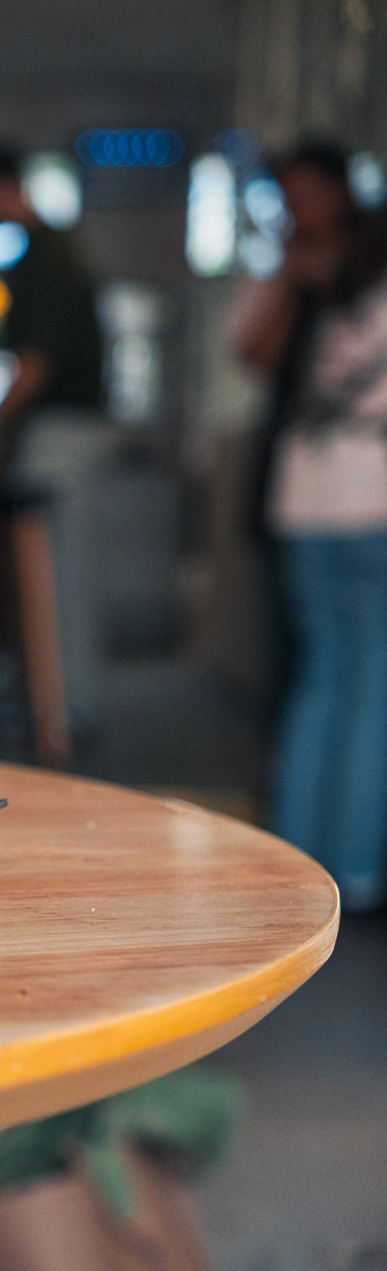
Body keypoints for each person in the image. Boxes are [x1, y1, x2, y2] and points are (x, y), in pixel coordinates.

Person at [233, 142, 387, 914]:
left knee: (328, 676)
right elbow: (253, 357)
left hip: (309, 497)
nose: (298, 208)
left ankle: (306, 863)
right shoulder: (301, 278)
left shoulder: (321, 282)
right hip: (359, 497)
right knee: (362, 682)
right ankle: (350, 869)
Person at [0, 145, 106, 470]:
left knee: (44, 520)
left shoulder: (48, 257)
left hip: (65, 427)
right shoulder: (41, 252)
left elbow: (36, 363)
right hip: (63, 424)